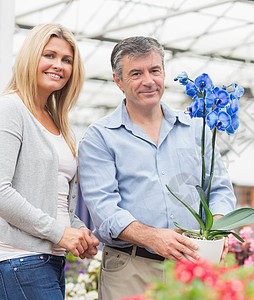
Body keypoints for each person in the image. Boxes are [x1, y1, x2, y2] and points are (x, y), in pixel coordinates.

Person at [78, 36, 237, 299]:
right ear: (118, 81)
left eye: (154, 70)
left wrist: (218, 228)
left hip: (192, 265)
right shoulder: (100, 136)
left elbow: (219, 188)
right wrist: (152, 237)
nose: (149, 81)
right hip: (130, 269)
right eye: (136, 73)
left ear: (164, 72)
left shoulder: (196, 128)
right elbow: (104, 207)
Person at [0, 23, 99, 299]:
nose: (59, 65)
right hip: (20, 259)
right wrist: (59, 233)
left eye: (67, 60)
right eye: (50, 55)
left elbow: (54, 198)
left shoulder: (59, 124)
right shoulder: (10, 109)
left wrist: (78, 231)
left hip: (49, 261)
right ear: (32, 57)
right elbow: (1, 191)